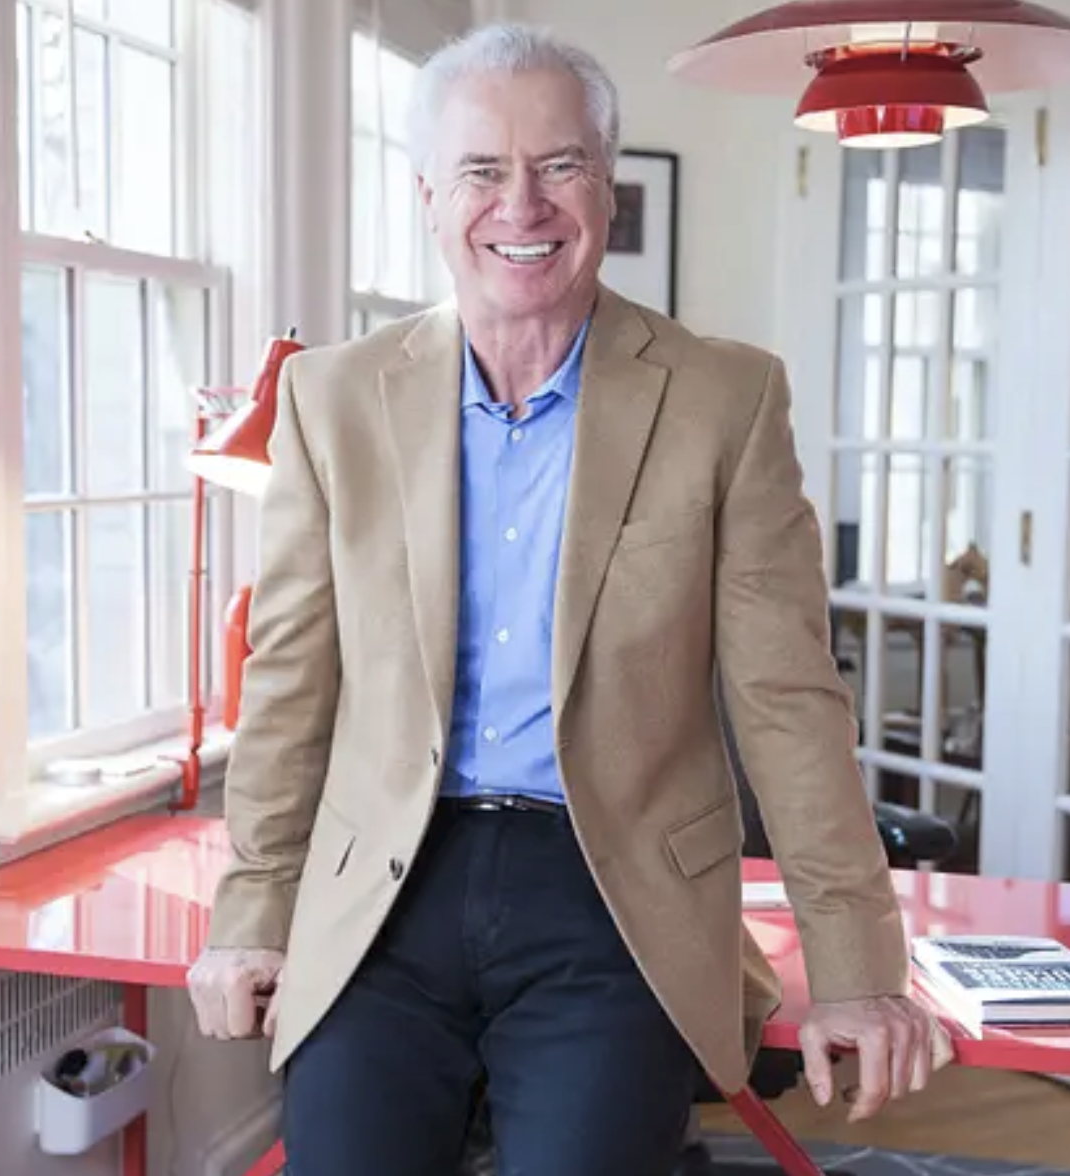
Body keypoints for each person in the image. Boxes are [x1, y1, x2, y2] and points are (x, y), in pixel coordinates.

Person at [187, 23, 953, 1176]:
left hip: (612, 896)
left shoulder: (723, 399)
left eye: (558, 165)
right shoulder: (329, 400)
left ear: (604, 180)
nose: (522, 205)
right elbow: (290, 686)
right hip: (382, 892)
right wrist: (251, 910)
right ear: (429, 197)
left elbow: (789, 702)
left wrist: (856, 969)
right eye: (482, 173)